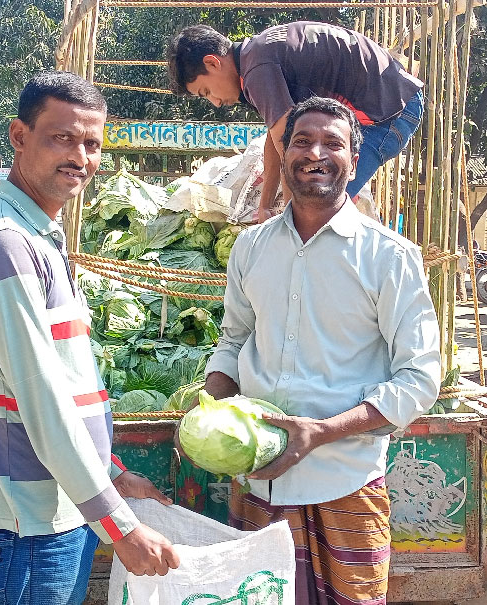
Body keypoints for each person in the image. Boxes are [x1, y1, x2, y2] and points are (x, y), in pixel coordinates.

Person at [0, 72, 179, 605]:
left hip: (55, 517)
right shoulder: (5, 246)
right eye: (61, 138)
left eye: (91, 144)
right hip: (24, 531)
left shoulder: (38, 237)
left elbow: (64, 386)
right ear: (19, 136)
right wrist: (120, 528)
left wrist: (111, 473)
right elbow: (42, 401)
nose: (79, 156)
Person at [195, 97, 441, 605]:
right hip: (257, 482)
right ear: (282, 155)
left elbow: (419, 377)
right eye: (302, 141)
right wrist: (206, 410)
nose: (316, 153)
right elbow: (234, 339)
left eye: (334, 143)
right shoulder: (251, 248)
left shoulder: (389, 257)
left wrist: (323, 432)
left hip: (345, 481)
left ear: (354, 160)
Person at [167, 22, 424, 222]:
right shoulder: (254, 57)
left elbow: (291, 153)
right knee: (310, 211)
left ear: (212, 62)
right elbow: (277, 136)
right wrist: (265, 207)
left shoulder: (257, 69)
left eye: (206, 91)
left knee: (317, 211)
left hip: (390, 113)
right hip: (392, 101)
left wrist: (290, 220)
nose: (215, 102)